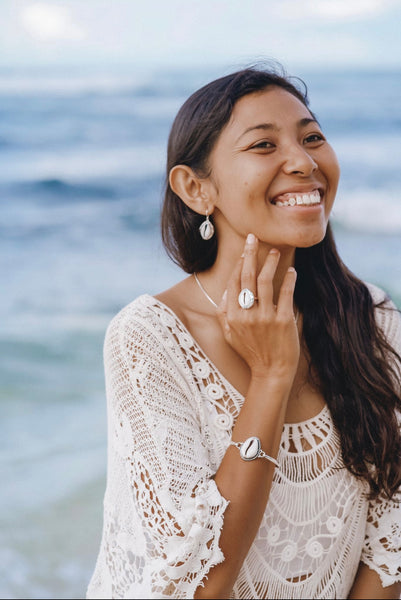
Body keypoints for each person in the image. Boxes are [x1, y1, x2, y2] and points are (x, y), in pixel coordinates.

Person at [87, 65, 401, 599]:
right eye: (263, 145)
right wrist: (272, 375)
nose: (303, 162)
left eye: (312, 137)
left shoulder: (371, 319)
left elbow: (390, 551)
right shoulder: (149, 338)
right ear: (195, 188)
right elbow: (199, 585)